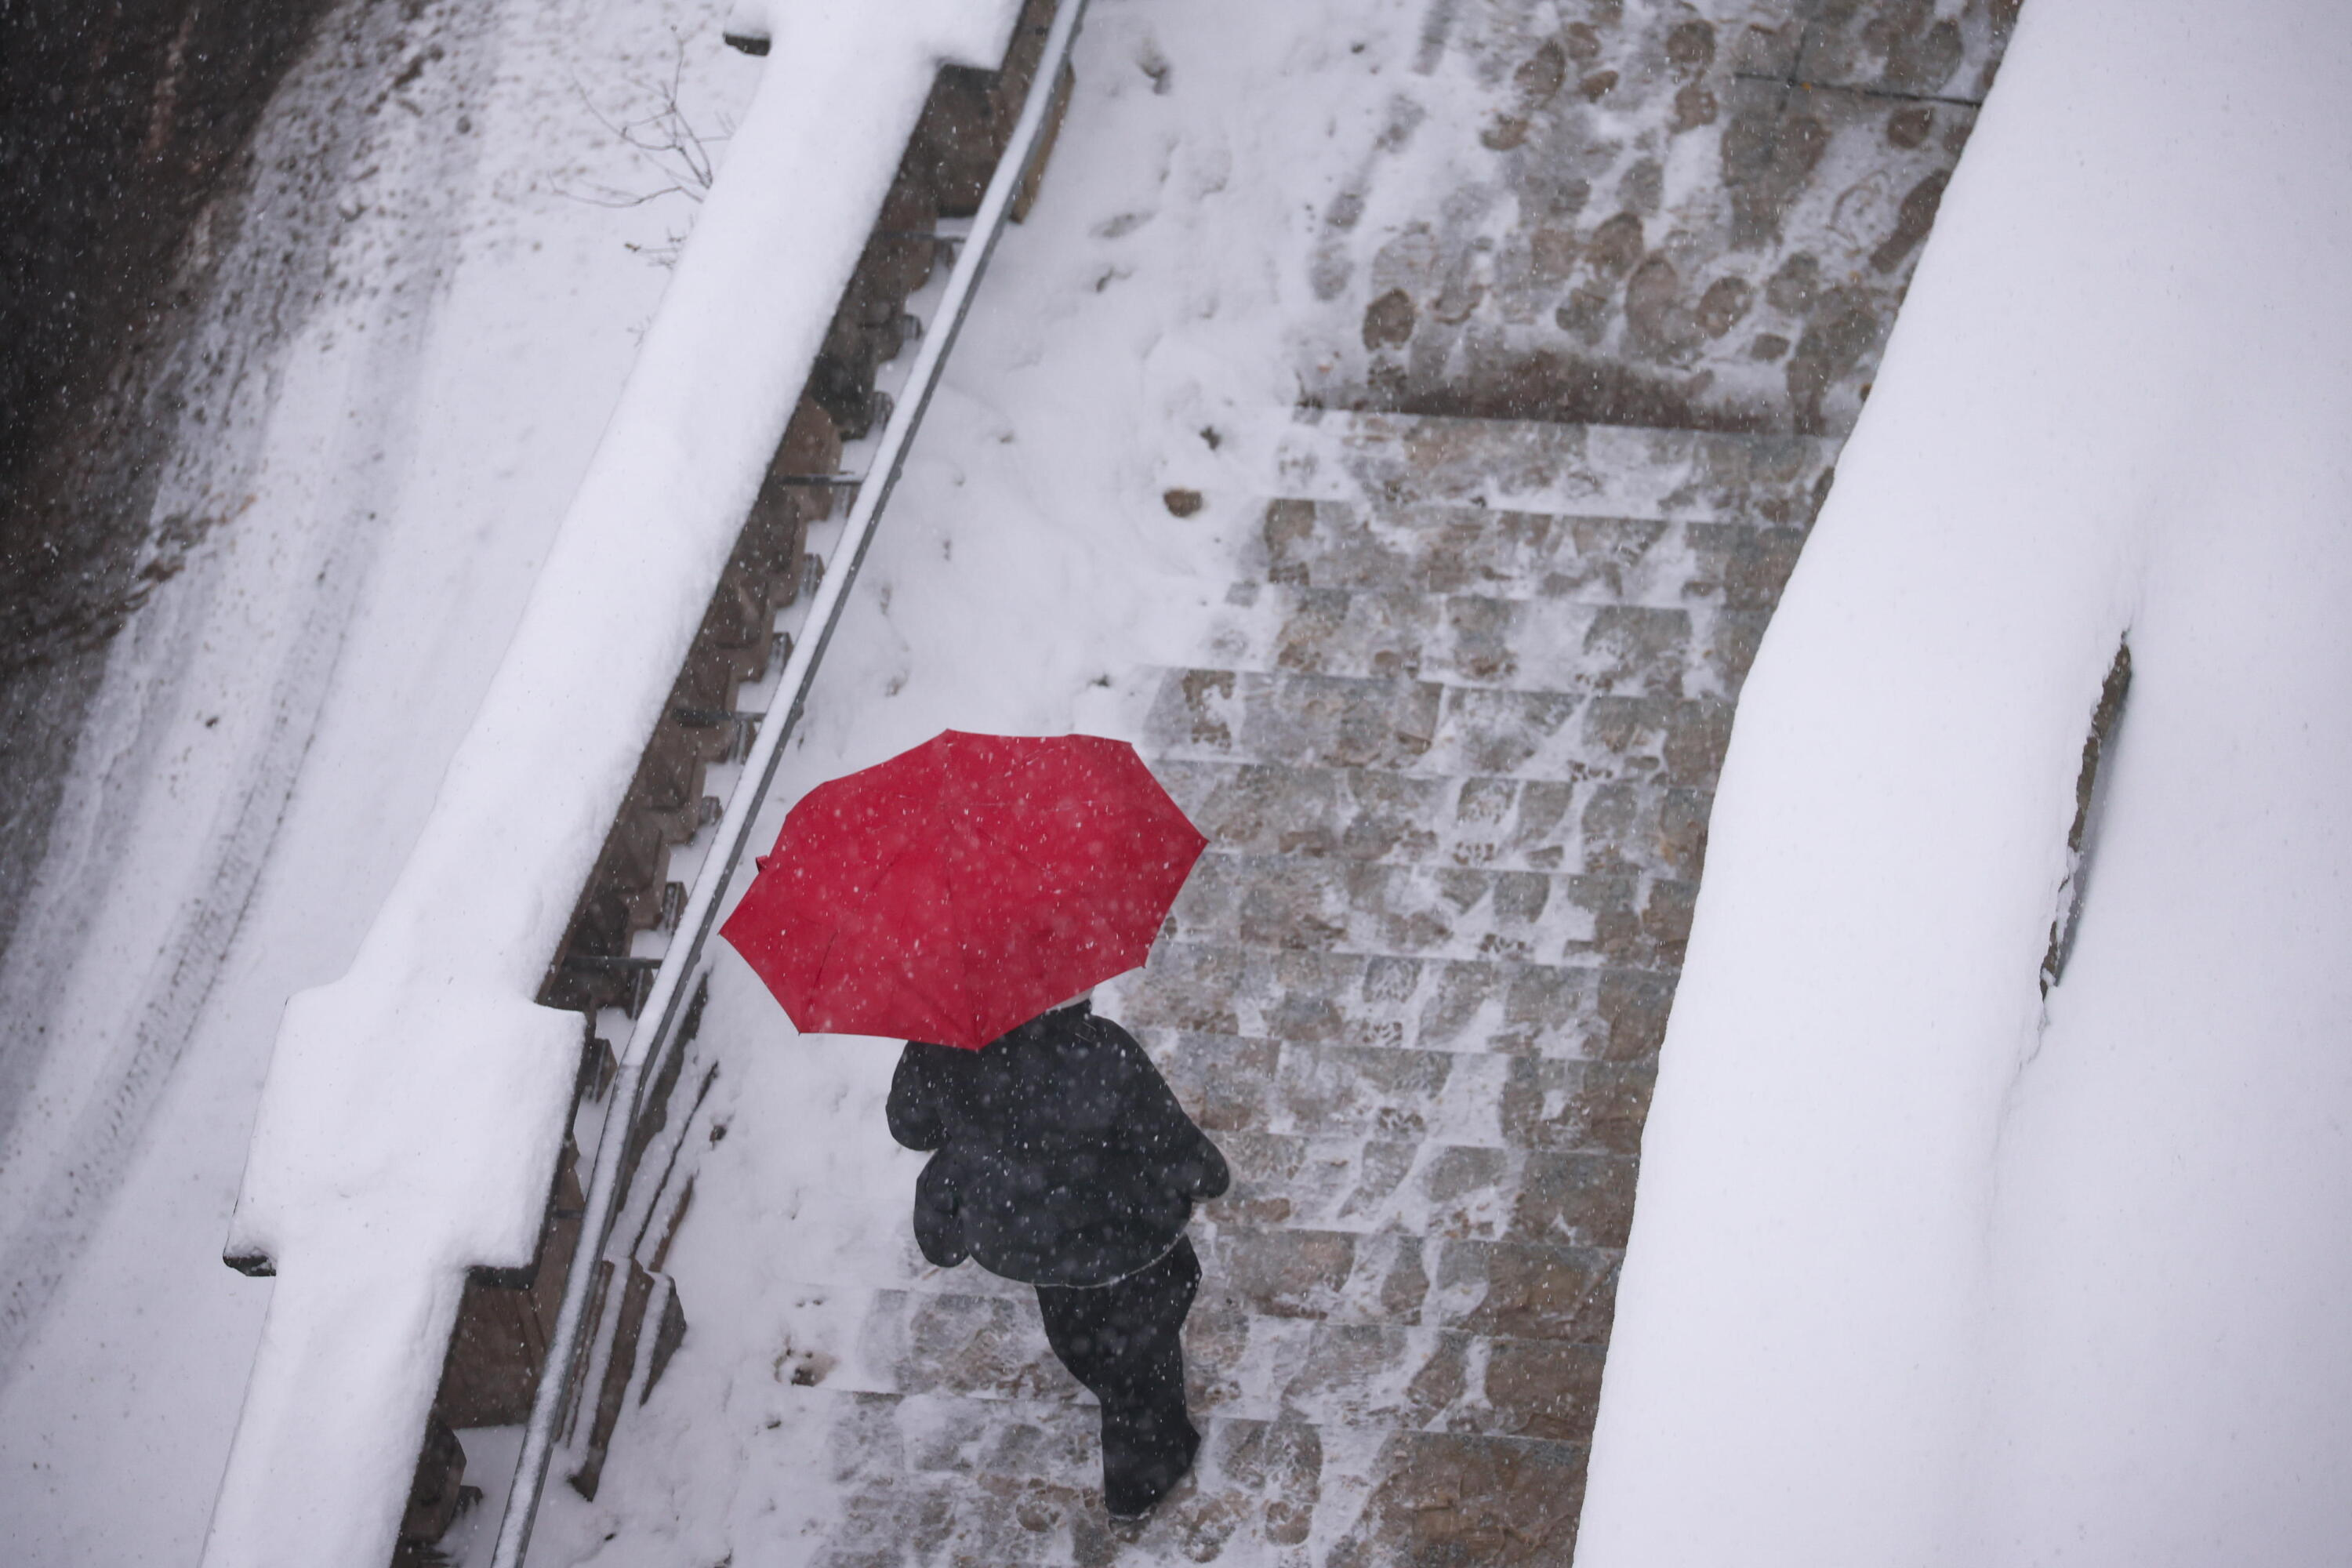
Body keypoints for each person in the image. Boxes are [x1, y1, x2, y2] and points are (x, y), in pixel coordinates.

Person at [887, 992, 1229, 1519]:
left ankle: (1113, 1379)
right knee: (1152, 1331)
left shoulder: (939, 1050)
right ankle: (1141, 1473)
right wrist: (1207, 1175)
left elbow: (912, 1128)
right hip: (1130, 1230)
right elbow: (1164, 1135)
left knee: (1079, 1332)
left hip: (1032, 1239)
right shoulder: (1100, 1048)